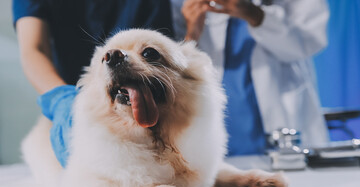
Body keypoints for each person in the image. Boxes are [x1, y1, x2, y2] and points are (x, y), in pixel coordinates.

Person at [13, 0, 174, 167]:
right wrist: (62, 99)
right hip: (88, 104)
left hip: (158, 108)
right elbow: (34, 49)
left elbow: (168, 50)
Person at [171, 0, 330, 156]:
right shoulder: (178, 5)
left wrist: (256, 15)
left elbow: (312, 40)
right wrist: (191, 35)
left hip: (282, 119)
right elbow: (170, 69)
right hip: (212, 134)